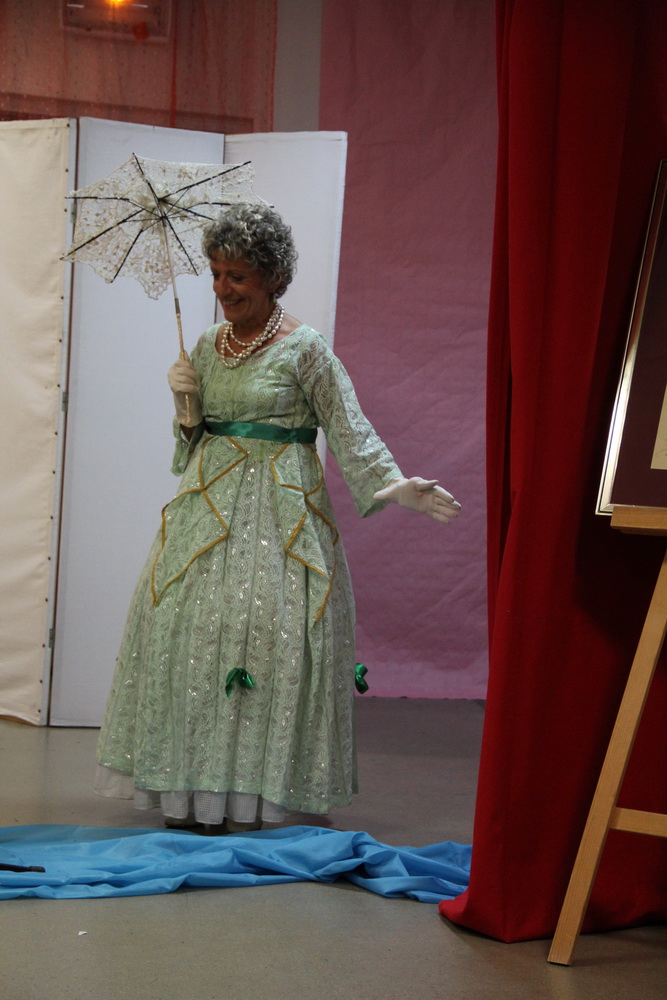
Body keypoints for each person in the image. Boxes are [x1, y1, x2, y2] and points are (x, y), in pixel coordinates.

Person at [94, 203, 460, 833]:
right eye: (216, 273)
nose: (222, 288)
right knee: (186, 629)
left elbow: (348, 428)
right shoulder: (206, 345)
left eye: (236, 275)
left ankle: (254, 794)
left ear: (271, 277)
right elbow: (192, 443)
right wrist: (185, 407)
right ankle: (192, 791)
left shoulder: (305, 349)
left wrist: (396, 487)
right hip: (207, 509)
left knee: (270, 638)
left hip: (280, 513)